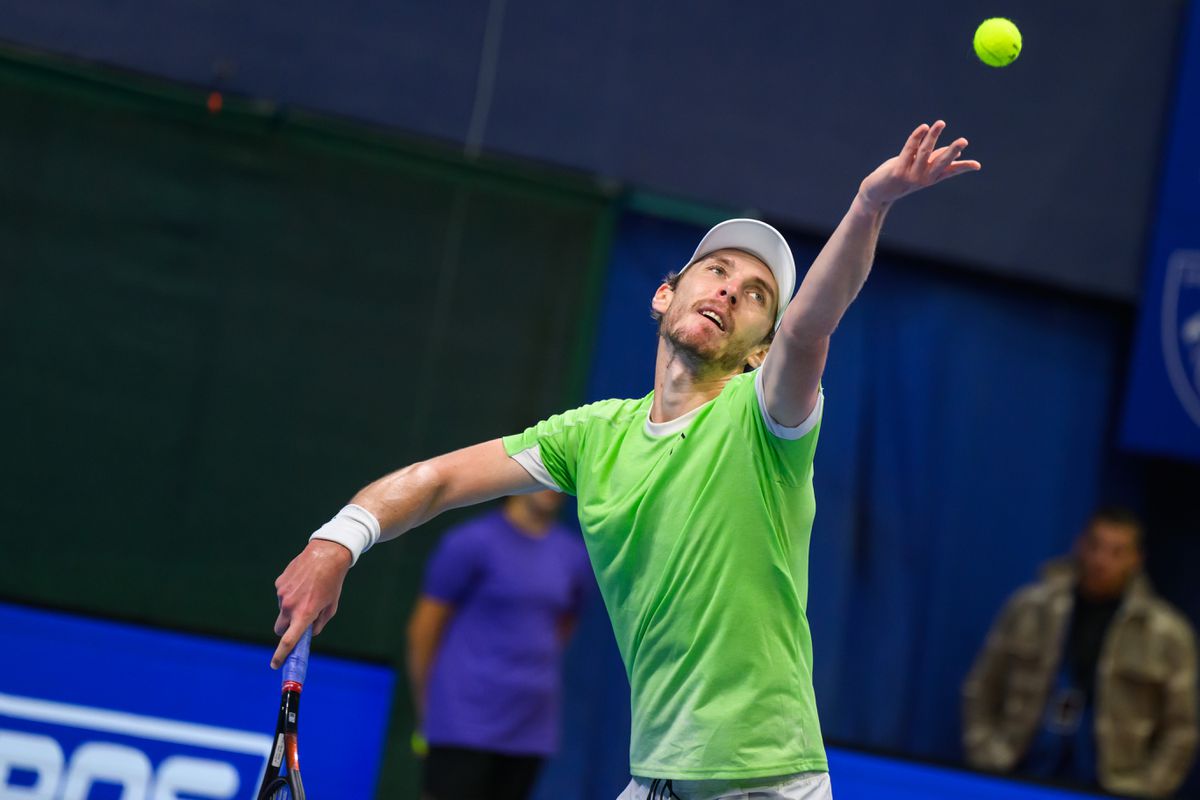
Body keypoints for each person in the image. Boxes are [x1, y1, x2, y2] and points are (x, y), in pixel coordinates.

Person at [272, 120, 980, 799]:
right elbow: (438, 481)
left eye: (756, 294)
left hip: (768, 784)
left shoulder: (767, 422)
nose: (730, 289)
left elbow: (812, 324)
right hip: (660, 779)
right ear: (665, 293)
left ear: (761, 349)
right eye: (717, 271)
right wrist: (337, 542)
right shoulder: (593, 436)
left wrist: (870, 203)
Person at [962, 507, 1199, 797]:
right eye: (1095, 546)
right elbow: (982, 686)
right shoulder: (1030, 607)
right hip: (1019, 769)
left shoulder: (1166, 632)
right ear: (1079, 545)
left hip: (1112, 783)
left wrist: (1148, 789)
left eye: (1117, 552)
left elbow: (1182, 729)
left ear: (1136, 559)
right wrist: (986, 756)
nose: (1101, 561)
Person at [407, 490, 591, 800]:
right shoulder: (469, 543)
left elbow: (563, 626)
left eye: (561, 477)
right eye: (544, 474)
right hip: (462, 724)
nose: (552, 486)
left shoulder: (574, 556)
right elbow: (423, 630)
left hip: (531, 729)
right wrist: (431, 709)